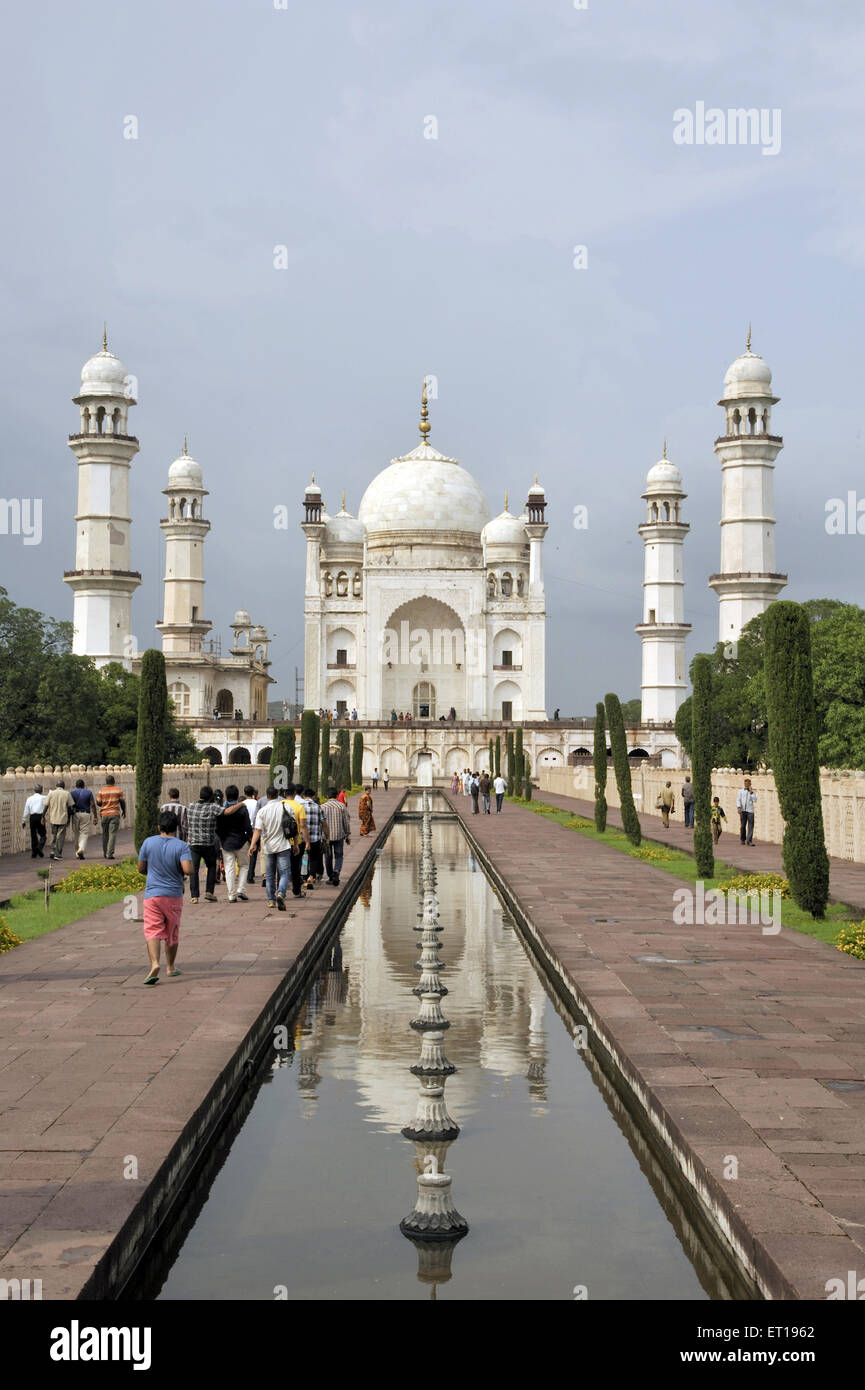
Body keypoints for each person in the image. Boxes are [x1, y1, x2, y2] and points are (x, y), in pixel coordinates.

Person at [137, 810, 192, 985]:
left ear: (159, 827)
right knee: (172, 931)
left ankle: (154, 963)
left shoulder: (148, 842)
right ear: (176, 827)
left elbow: (141, 868)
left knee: (152, 930)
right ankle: (170, 967)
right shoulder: (181, 846)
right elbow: (187, 870)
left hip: (152, 895)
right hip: (173, 895)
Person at [249, 785, 295, 908]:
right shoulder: (287, 807)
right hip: (284, 845)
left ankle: (271, 899)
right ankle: (280, 892)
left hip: (268, 846)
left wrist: (253, 845)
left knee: (269, 874)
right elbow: (293, 828)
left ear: (267, 796)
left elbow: (257, 830)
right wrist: (295, 844)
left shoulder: (262, 811)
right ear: (278, 795)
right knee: (285, 872)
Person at [217, 785, 253, 902]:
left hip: (227, 843)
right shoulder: (242, 809)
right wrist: (251, 840)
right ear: (238, 795)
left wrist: (222, 839)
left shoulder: (222, 810)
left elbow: (218, 828)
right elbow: (248, 826)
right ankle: (241, 890)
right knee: (244, 865)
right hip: (241, 841)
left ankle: (231, 894)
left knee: (229, 868)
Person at [186, 785, 221, 902]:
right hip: (208, 844)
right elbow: (226, 811)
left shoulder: (191, 806)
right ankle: (209, 892)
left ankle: (194, 896)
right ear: (211, 796)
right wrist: (240, 805)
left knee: (194, 869)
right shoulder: (213, 807)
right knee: (211, 866)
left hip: (194, 844)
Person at [281, 782, 309, 898]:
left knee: (281, 868)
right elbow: (303, 826)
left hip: (281, 842)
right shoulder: (299, 807)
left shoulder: (280, 804)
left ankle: (280, 891)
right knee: (295, 868)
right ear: (295, 793)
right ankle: (296, 891)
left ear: (283, 793)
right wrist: (307, 841)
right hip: (296, 841)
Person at [322, 785, 351, 885]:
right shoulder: (341, 806)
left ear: (327, 796)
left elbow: (320, 823)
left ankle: (330, 877)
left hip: (326, 837)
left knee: (328, 857)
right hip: (339, 835)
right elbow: (346, 821)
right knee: (339, 856)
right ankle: (336, 871)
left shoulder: (322, 807)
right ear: (337, 795)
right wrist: (347, 834)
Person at [96, 775, 126, 859]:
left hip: (104, 814)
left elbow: (98, 803)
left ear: (106, 782)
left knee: (105, 834)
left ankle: (105, 853)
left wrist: (103, 803)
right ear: (114, 782)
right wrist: (124, 811)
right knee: (112, 834)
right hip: (114, 814)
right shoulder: (118, 790)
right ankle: (110, 853)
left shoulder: (101, 791)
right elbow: (122, 802)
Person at [301, 787, 325, 888]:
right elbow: (323, 823)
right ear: (313, 796)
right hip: (315, 838)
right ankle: (311, 876)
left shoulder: (299, 806)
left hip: (302, 838)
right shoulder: (318, 807)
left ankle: (304, 877)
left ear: (303, 796)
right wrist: (327, 837)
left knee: (303, 858)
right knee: (314, 858)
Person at [44, 780, 74, 860]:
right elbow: (70, 807)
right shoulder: (67, 793)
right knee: (60, 836)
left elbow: (46, 806)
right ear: (63, 786)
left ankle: (52, 851)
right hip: (63, 818)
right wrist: (69, 818)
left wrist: (42, 816)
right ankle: (58, 854)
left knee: (54, 835)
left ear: (56, 786)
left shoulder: (51, 793)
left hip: (53, 818)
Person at [70, 779, 98, 859]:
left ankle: (76, 852)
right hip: (86, 814)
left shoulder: (72, 793)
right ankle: (81, 849)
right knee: (84, 833)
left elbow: (70, 806)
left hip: (75, 814)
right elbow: (92, 805)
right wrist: (95, 816)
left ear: (76, 785)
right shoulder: (88, 792)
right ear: (84, 785)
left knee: (76, 833)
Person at [21, 783, 47, 858]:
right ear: (41, 790)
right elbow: (50, 797)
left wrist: (23, 821)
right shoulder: (44, 797)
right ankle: (39, 847)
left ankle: (34, 853)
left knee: (33, 835)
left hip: (32, 817)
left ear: (34, 790)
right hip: (40, 817)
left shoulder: (29, 798)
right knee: (43, 835)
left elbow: (26, 810)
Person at [242, 785, 260, 882]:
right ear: (253, 793)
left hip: (244, 830)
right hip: (254, 829)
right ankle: (250, 875)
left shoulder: (242, 803)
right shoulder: (256, 803)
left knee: (244, 853)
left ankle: (244, 874)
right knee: (253, 852)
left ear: (244, 793)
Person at [737, 778, 757, 845]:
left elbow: (755, 800)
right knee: (743, 826)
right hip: (743, 810)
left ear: (750, 784)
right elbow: (738, 800)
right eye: (746, 783)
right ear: (744, 784)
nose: (747, 784)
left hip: (750, 811)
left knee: (750, 826)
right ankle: (743, 839)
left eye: (748, 783)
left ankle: (749, 841)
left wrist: (751, 792)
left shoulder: (752, 793)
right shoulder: (741, 791)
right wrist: (739, 807)